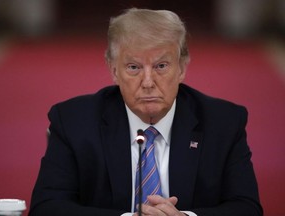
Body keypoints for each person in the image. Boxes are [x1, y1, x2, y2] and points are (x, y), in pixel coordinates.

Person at [29, 8, 263, 216]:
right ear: (113, 70)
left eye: (161, 66)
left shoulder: (223, 122)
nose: (148, 81)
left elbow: (247, 208)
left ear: (182, 68)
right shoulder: (73, 121)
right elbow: (46, 207)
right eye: (134, 67)